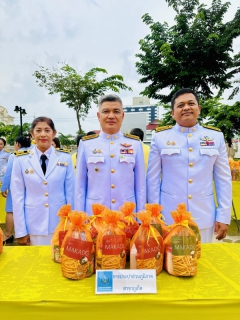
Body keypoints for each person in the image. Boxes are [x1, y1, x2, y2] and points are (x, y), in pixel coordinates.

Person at [147, 88, 232, 243]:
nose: (186, 107)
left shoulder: (215, 137)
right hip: (169, 215)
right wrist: (154, 215)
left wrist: (223, 215)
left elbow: (223, 179)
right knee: (171, 263)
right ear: (173, 113)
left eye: (191, 103)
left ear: (198, 109)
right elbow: (152, 180)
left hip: (203, 215)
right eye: (180, 105)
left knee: (201, 262)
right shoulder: (160, 138)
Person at [75, 94, 146, 214]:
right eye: (106, 111)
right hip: (95, 215)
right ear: (98, 116)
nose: (111, 116)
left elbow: (140, 186)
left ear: (122, 116)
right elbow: (80, 186)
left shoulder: (135, 144)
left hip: (126, 214)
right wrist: (80, 219)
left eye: (116, 111)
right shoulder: (86, 144)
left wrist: (140, 218)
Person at [11, 117, 75, 245]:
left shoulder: (65, 158)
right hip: (32, 224)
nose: (43, 134)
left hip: (60, 223)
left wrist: (72, 224)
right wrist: (20, 231)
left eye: (47, 130)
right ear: (32, 133)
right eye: (38, 130)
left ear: (54, 133)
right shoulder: (20, 160)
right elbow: (17, 197)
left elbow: (71, 194)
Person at [1, 135, 31, 244]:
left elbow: (8, 173)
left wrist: (4, 187)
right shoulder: (35, 154)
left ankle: (8, 235)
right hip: (32, 188)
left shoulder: (15, 155)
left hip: (16, 188)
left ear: (18, 144)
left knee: (10, 211)